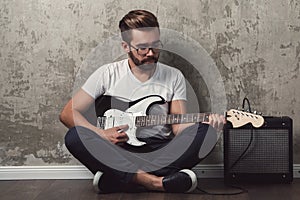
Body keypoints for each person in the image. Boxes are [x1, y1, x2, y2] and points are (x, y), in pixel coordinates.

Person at [59, 9, 226, 194]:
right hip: (117, 150)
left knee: (206, 134)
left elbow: (177, 126)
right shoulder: (107, 74)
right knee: (74, 137)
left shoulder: (173, 76)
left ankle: (119, 179)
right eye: (142, 48)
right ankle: (156, 181)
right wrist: (102, 134)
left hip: (160, 151)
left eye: (155, 46)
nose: (150, 53)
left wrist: (208, 123)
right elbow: (67, 114)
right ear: (125, 47)